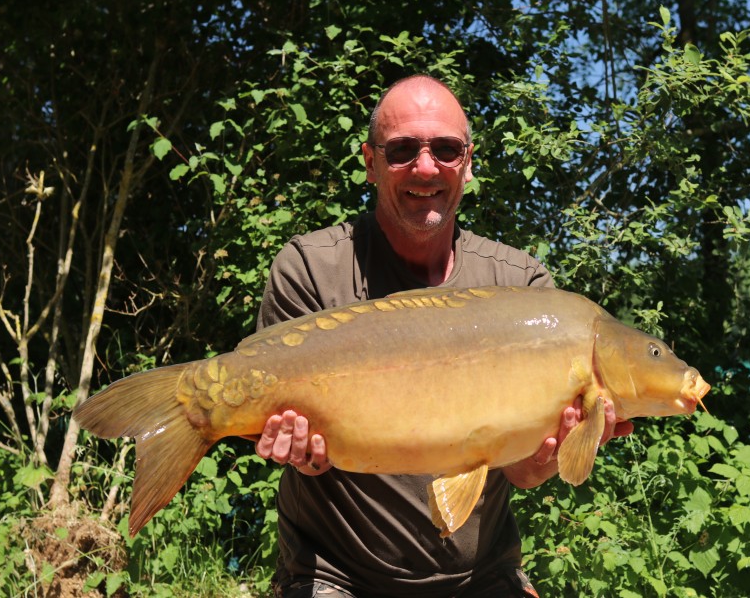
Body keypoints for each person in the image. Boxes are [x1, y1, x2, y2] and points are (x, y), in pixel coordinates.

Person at [253, 75, 633, 597]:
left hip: (482, 578)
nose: (426, 167)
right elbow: (288, 438)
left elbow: (522, 475)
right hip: (337, 574)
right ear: (370, 162)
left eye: (446, 150)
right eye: (403, 149)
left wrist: (548, 454)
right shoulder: (310, 269)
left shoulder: (524, 287)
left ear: (468, 163)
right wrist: (299, 449)